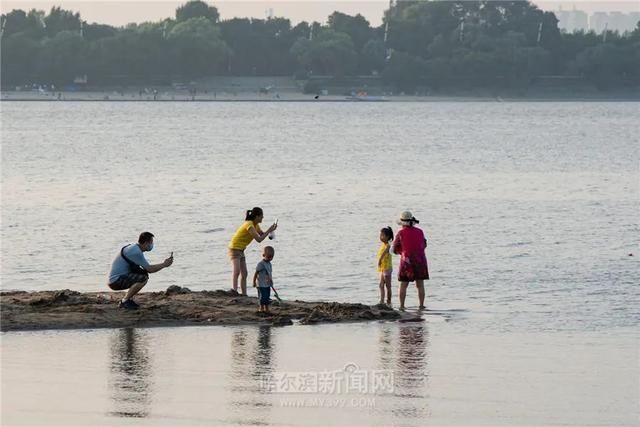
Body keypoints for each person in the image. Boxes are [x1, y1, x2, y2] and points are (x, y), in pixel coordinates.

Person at [107, 232, 174, 310]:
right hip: (115, 281)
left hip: (116, 278)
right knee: (143, 278)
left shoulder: (134, 247)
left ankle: (128, 299)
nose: (152, 245)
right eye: (151, 243)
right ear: (146, 243)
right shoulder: (135, 252)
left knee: (142, 274)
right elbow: (150, 269)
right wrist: (164, 264)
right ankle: (125, 301)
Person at [228, 207, 277, 295]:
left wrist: (271, 231)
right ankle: (234, 291)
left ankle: (244, 293)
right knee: (237, 271)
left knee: (245, 273)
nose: (263, 218)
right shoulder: (249, 225)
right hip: (234, 248)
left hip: (241, 249)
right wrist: (269, 230)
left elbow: (262, 234)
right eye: (262, 216)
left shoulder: (255, 225)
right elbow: (259, 239)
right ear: (257, 216)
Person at [392, 211, 429, 310]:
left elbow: (395, 248)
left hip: (407, 261)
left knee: (403, 284)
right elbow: (424, 245)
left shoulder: (401, 233)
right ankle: (421, 305)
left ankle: (402, 306)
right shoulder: (420, 231)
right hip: (420, 259)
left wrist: (402, 252)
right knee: (420, 284)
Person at [253, 246, 275, 314]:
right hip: (261, 284)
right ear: (263, 255)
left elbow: (269, 273)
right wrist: (254, 282)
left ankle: (267, 308)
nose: (270, 259)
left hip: (267, 284)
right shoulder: (261, 264)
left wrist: (271, 280)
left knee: (267, 296)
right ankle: (261, 307)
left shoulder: (269, 264)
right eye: (268, 257)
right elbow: (256, 273)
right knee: (262, 296)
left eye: (271, 257)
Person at [377, 226, 394, 305]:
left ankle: (389, 301)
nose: (381, 237)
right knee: (381, 285)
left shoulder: (388, 245)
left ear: (387, 237)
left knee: (388, 286)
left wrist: (380, 259)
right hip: (382, 268)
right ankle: (382, 300)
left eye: (382, 235)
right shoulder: (383, 245)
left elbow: (384, 253)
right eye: (380, 235)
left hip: (387, 268)